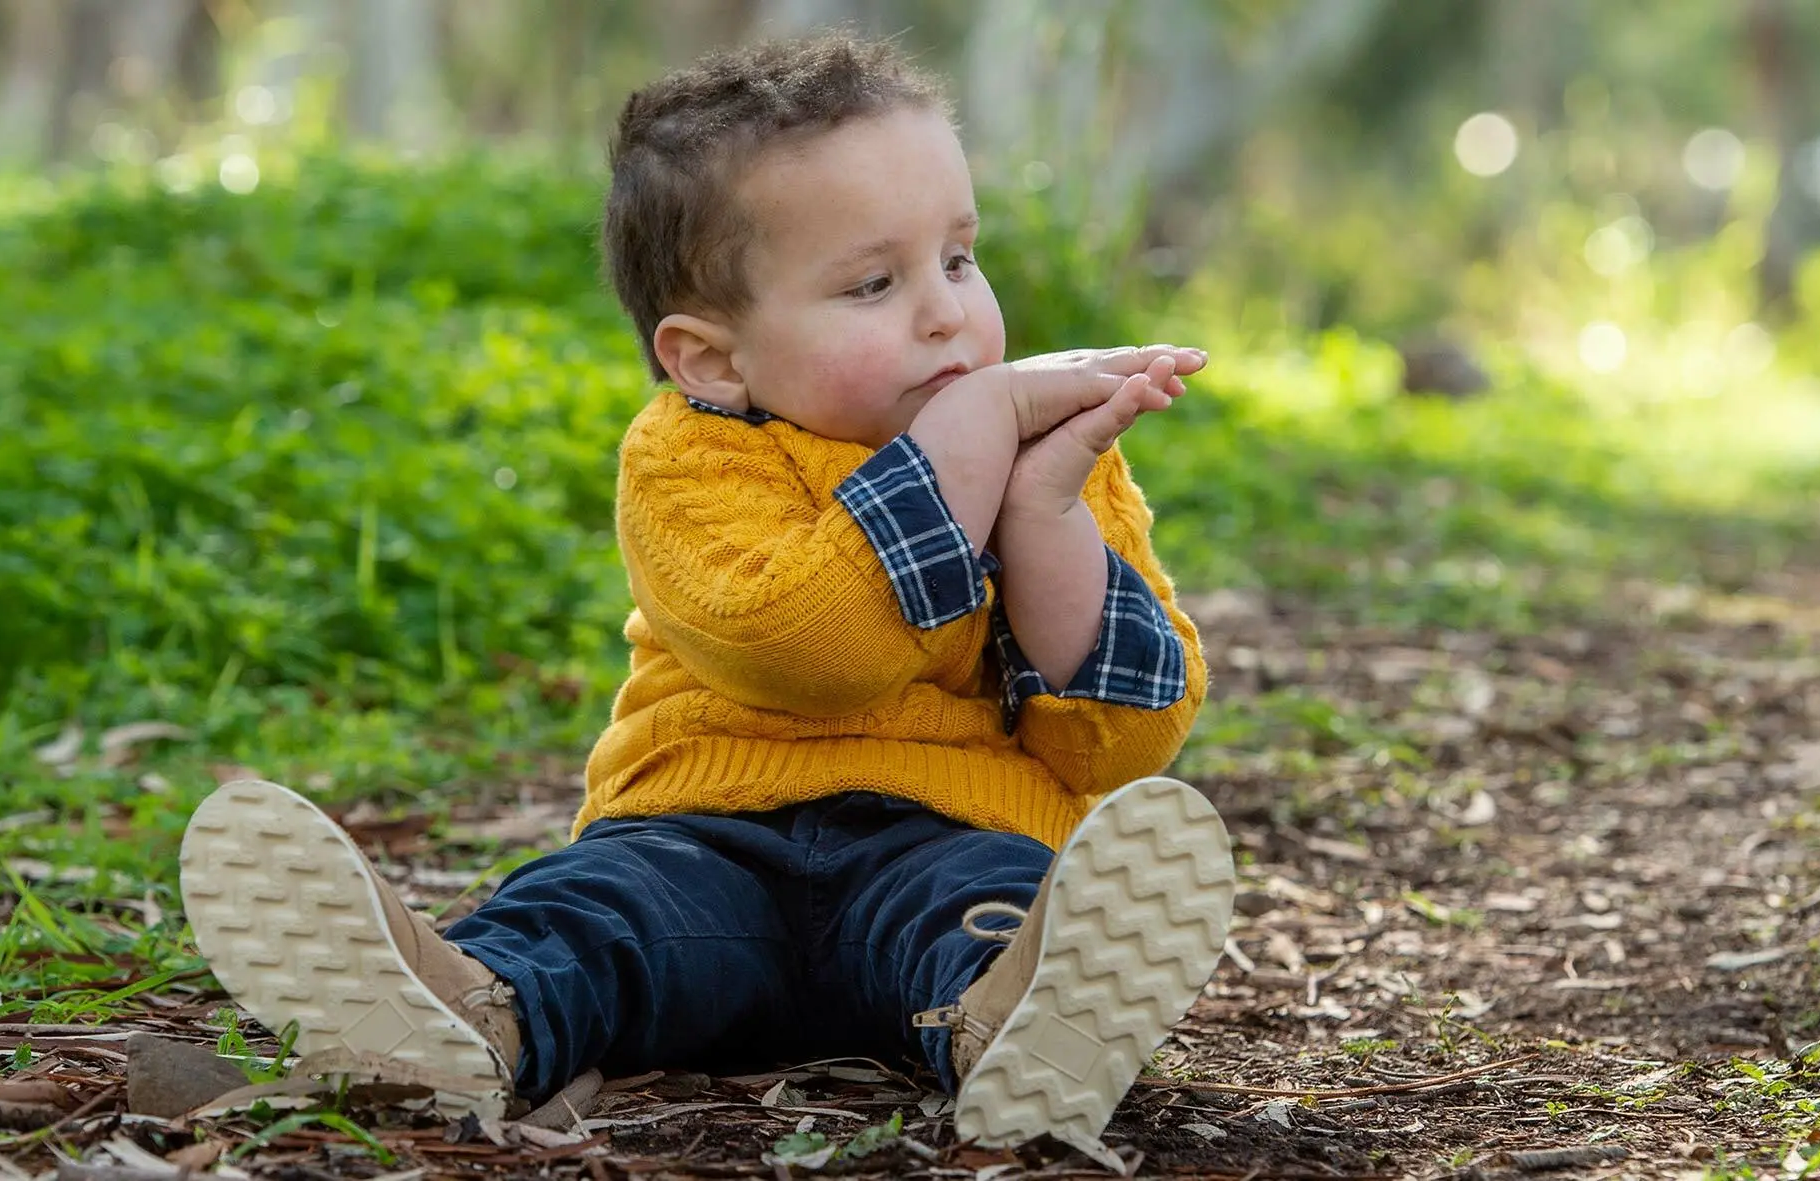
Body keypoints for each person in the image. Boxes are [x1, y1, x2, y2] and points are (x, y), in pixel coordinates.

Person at [177, 30, 1238, 1155]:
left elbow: (1121, 747)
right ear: (713, 360)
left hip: (953, 835)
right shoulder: (691, 457)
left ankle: (1020, 1020)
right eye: (874, 282)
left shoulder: (1063, 460)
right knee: (600, 915)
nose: (944, 315)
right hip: (707, 836)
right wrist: (965, 438)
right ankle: (460, 1013)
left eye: (960, 261)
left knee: (996, 907)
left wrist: (1043, 517)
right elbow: (806, 649)